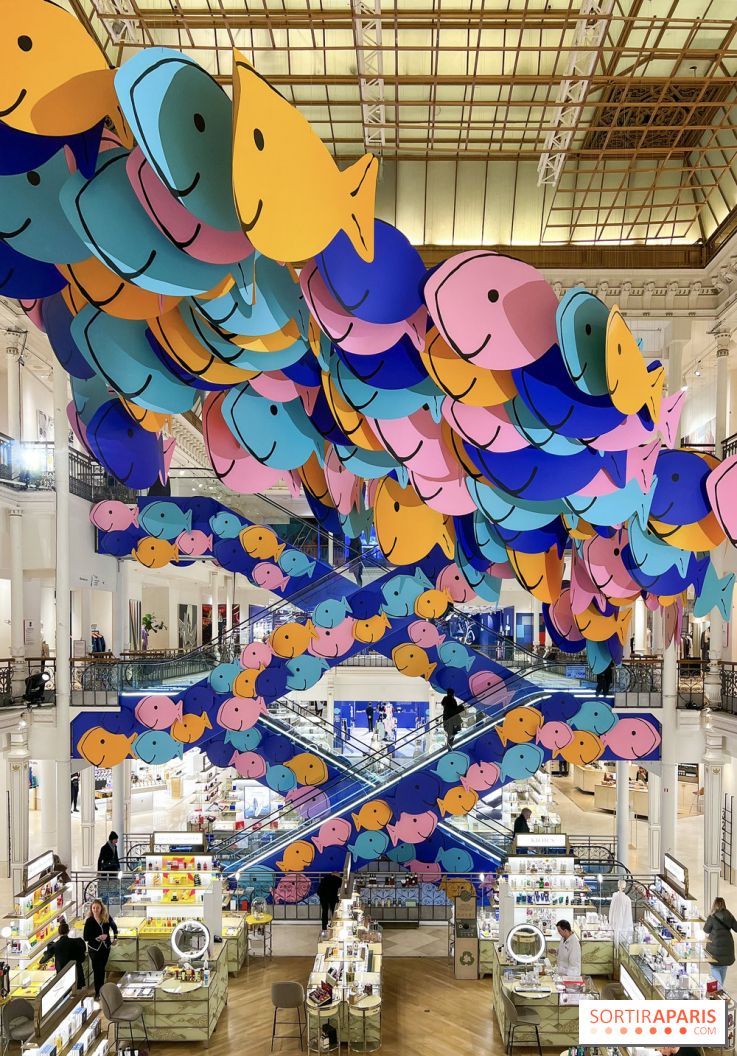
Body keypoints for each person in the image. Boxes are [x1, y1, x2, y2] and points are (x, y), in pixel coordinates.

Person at [83, 899, 118, 998]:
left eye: (97, 907)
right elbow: (86, 937)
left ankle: (102, 990)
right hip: (94, 949)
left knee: (102, 969)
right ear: (91, 909)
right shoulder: (89, 921)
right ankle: (98, 991)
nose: (95, 909)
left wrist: (115, 937)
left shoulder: (106, 917)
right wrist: (97, 937)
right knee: (96, 969)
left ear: (101, 908)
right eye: (93, 908)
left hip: (105, 948)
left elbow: (114, 927)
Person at [40, 919, 87, 989]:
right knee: (75, 990)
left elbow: (46, 957)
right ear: (68, 931)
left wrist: (41, 961)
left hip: (63, 973)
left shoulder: (56, 945)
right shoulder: (77, 942)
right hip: (75, 971)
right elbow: (82, 952)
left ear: (59, 932)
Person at [704, 896, 737, 987]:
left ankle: (719, 990)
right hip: (727, 947)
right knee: (723, 967)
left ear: (714, 905)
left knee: (715, 968)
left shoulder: (712, 916)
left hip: (714, 948)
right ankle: (720, 989)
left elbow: (706, 930)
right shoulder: (729, 915)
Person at [97, 831, 120, 905]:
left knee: (114, 884)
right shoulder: (104, 848)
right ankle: (105, 902)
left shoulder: (115, 847)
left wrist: (118, 867)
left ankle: (113, 901)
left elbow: (116, 858)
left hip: (114, 869)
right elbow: (100, 860)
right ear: (112, 839)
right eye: (116, 839)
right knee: (106, 885)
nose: (117, 841)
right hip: (107, 870)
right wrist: (99, 871)